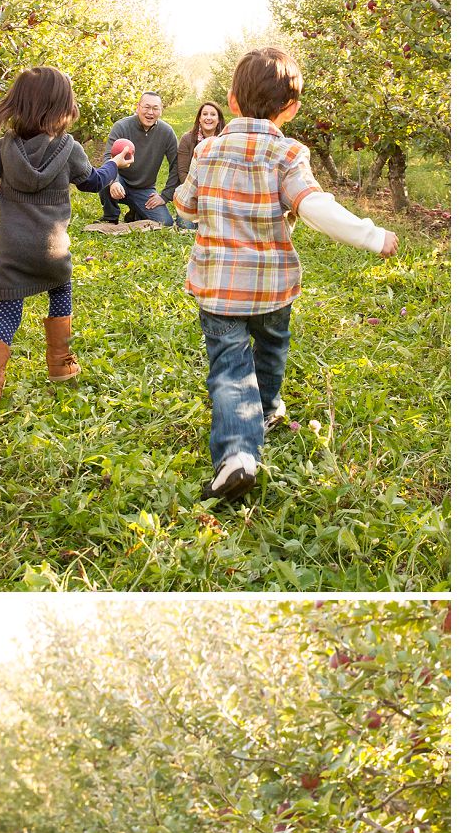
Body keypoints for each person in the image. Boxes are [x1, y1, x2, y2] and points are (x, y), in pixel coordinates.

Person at [174, 46, 397, 503]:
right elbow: (313, 205)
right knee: (271, 349)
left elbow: (187, 204)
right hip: (272, 287)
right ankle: (269, 409)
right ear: (291, 109)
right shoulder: (288, 154)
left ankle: (238, 453)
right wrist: (371, 235)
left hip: (217, 286)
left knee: (230, 368)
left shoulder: (207, 150)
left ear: (232, 100)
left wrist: (189, 198)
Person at [0, 66, 134, 421]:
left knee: (6, 318)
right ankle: (61, 365)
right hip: (51, 251)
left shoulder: (5, 147)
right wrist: (114, 164)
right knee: (60, 295)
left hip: (8, 253)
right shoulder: (69, 149)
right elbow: (93, 182)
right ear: (63, 107)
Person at [100, 93, 180, 227]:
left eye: (155, 108)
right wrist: (114, 181)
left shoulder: (166, 132)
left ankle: (135, 212)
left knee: (165, 223)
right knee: (104, 177)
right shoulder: (122, 127)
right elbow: (108, 158)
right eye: (146, 107)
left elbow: (176, 164)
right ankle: (111, 216)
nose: (150, 112)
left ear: (161, 110)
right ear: (138, 107)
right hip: (121, 182)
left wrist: (165, 196)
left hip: (144, 188)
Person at [176, 100, 227, 186]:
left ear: (218, 120)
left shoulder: (225, 141)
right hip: (192, 189)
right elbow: (182, 172)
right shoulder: (187, 139)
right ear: (199, 118)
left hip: (218, 190)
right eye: (205, 114)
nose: (208, 118)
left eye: (213, 114)